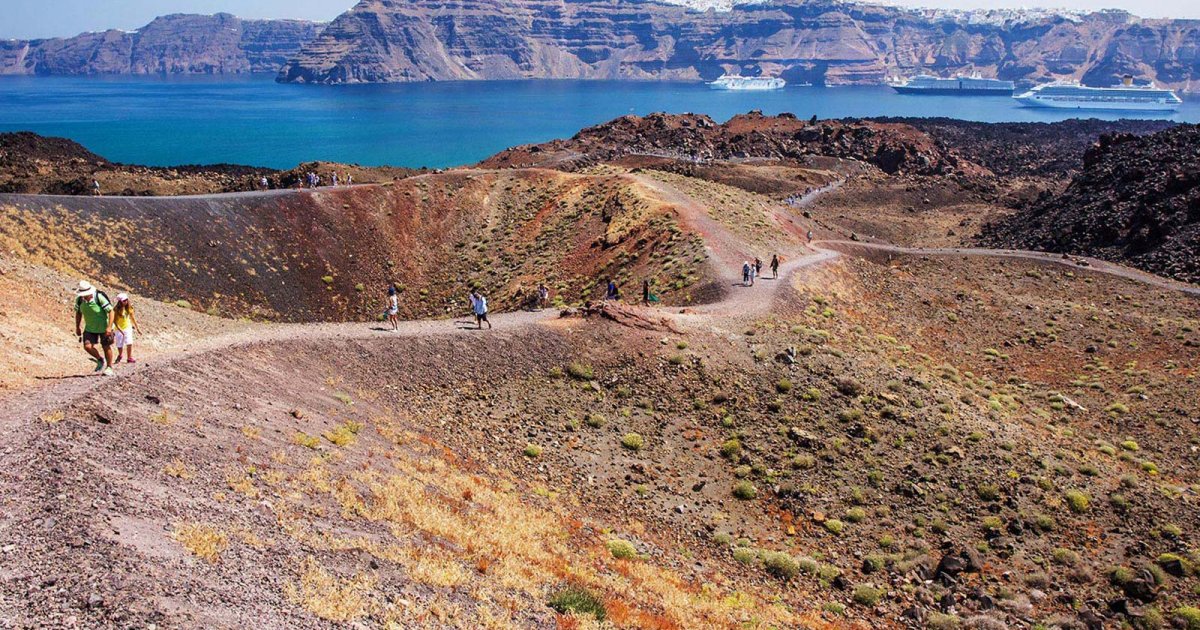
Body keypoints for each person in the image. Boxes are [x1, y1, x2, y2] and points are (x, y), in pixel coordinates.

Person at [74, 281, 115, 376]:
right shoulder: (79, 300)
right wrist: (77, 326)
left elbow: (111, 311)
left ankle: (109, 367)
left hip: (104, 327)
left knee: (106, 346)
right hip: (90, 327)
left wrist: (109, 327)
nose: (83, 296)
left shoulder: (98, 297)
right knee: (87, 346)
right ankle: (100, 359)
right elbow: (78, 313)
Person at [113, 293, 142, 364]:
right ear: (120, 302)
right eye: (124, 300)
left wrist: (137, 328)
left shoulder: (129, 308)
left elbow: (132, 318)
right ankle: (120, 355)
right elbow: (115, 322)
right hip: (119, 328)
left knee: (129, 342)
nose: (126, 301)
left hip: (127, 327)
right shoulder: (116, 310)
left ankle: (129, 357)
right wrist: (120, 330)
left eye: (126, 300)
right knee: (119, 344)